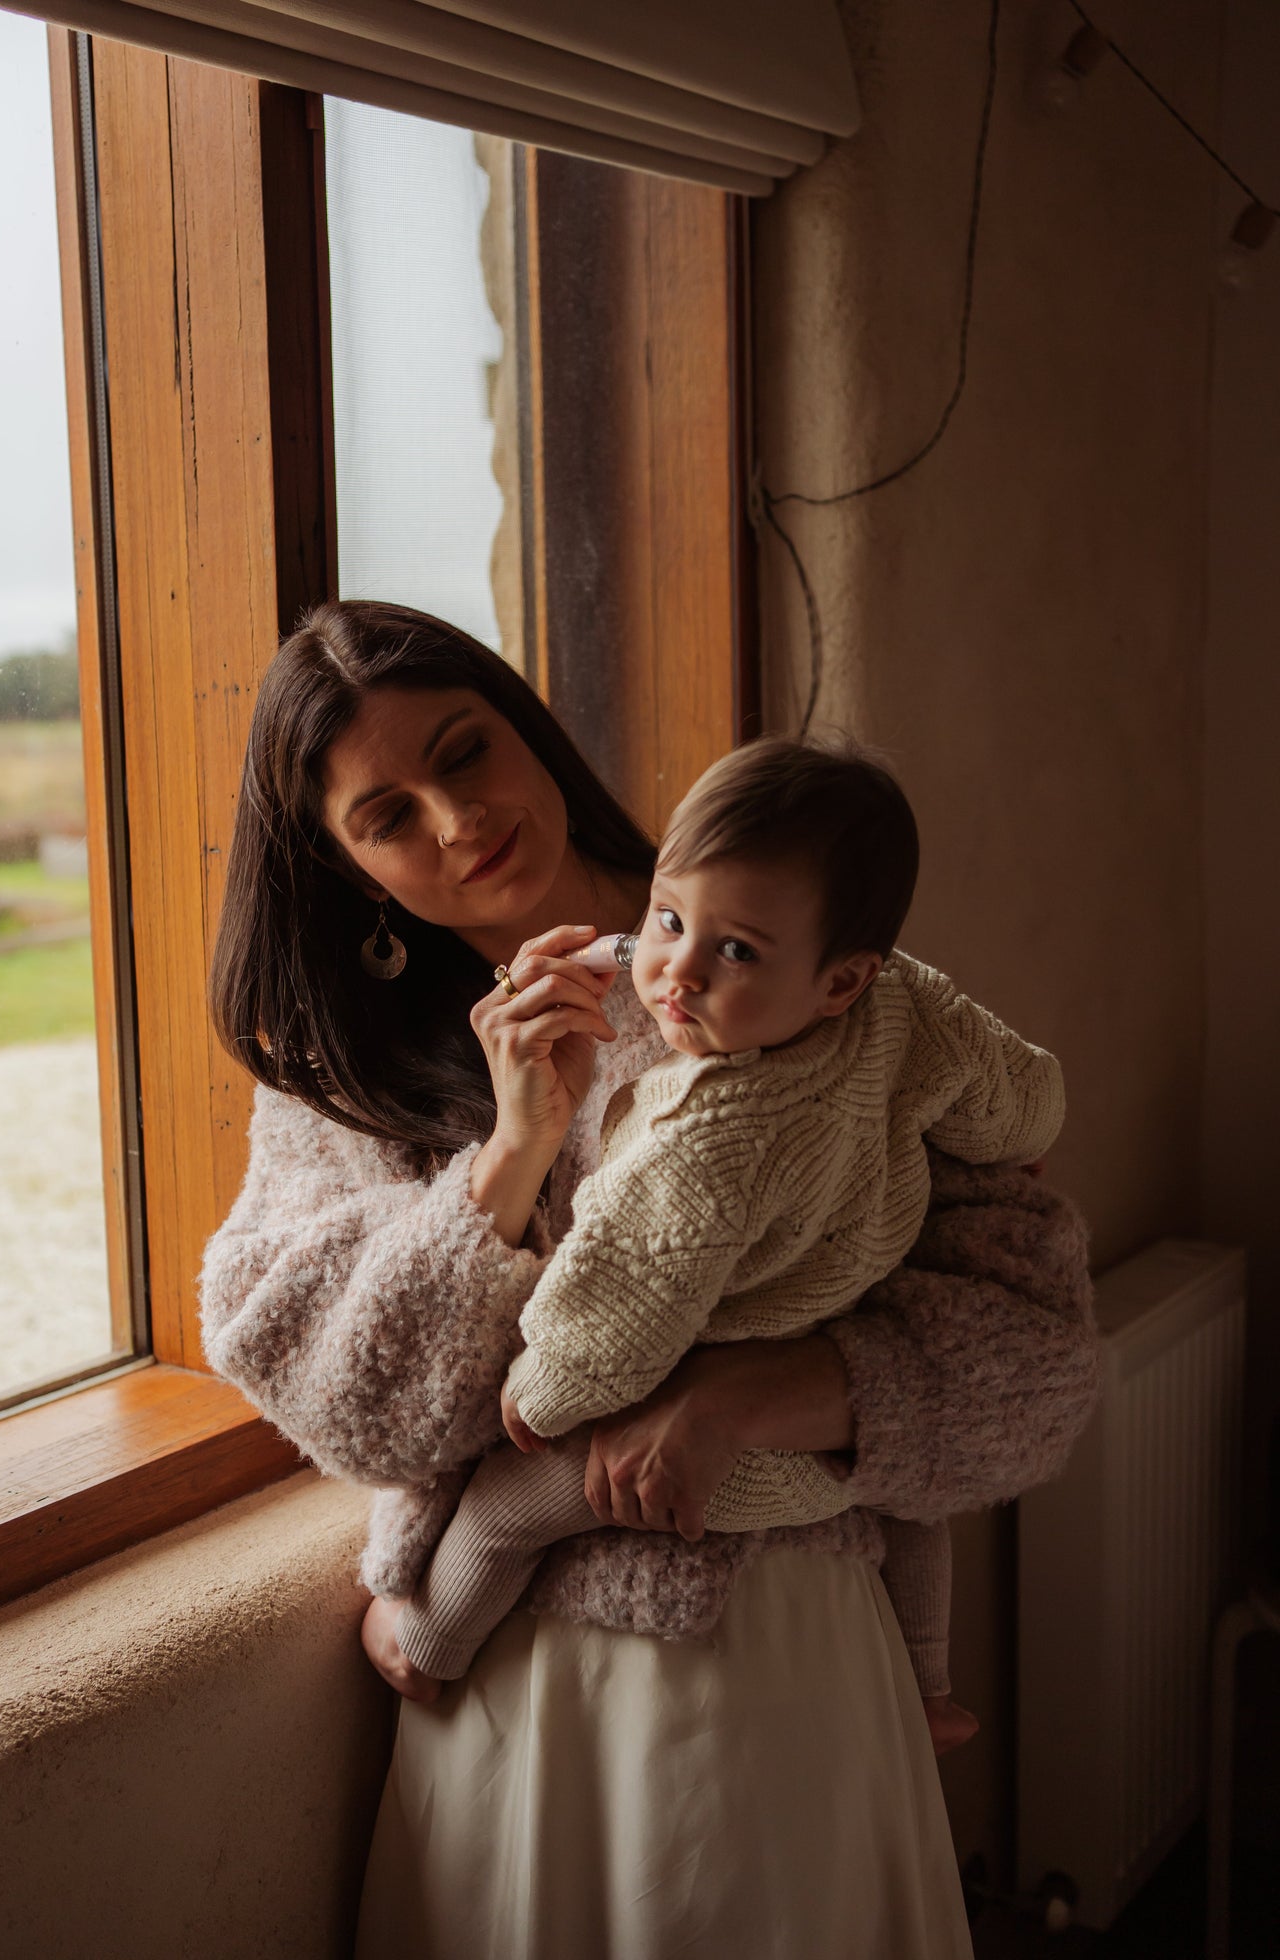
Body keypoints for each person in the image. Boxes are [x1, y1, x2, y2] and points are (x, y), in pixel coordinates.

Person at [199, 600, 1099, 1960]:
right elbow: (354, 1413)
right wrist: (512, 1152)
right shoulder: (352, 1087)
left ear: (533, 738)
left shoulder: (812, 985)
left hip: (793, 1664)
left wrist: (764, 1397)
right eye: (387, 816)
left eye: (467, 754)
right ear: (349, 871)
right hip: (522, 1700)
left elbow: (1040, 1359)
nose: (456, 821)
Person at [360, 737, 1064, 1762]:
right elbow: (1021, 1092)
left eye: (732, 952)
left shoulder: (713, 1133)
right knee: (911, 1496)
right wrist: (1018, 1145)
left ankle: (424, 1641)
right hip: (831, 1375)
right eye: (666, 919)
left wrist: (544, 1389)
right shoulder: (905, 1002)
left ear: (837, 980)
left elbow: (627, 1287)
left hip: (708, 1463)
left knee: (508, 1509)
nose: (675, 975)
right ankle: (926, 1683)